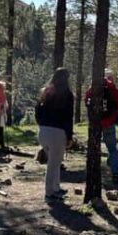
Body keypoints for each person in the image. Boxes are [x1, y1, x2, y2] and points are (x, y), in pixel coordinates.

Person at [36, 67, 74, 201]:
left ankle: (56, 188)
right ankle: (49, 192)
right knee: (53, 163)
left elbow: (37, 112)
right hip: (57, 132)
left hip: (43, 132)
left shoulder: (46, 91)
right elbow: (69, 118)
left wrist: (41, 125)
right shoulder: (67, 95)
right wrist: (69, 136)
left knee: (55, 162)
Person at [85, 68, 118, 183]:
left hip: (96, 123)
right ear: (110, 77)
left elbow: (86, 100)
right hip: (108, 122)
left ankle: (92, 171)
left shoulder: (93, 86)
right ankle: (115, 173)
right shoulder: (112, 88)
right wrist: (113, 117)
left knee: (94, 148)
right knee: (112, 149)